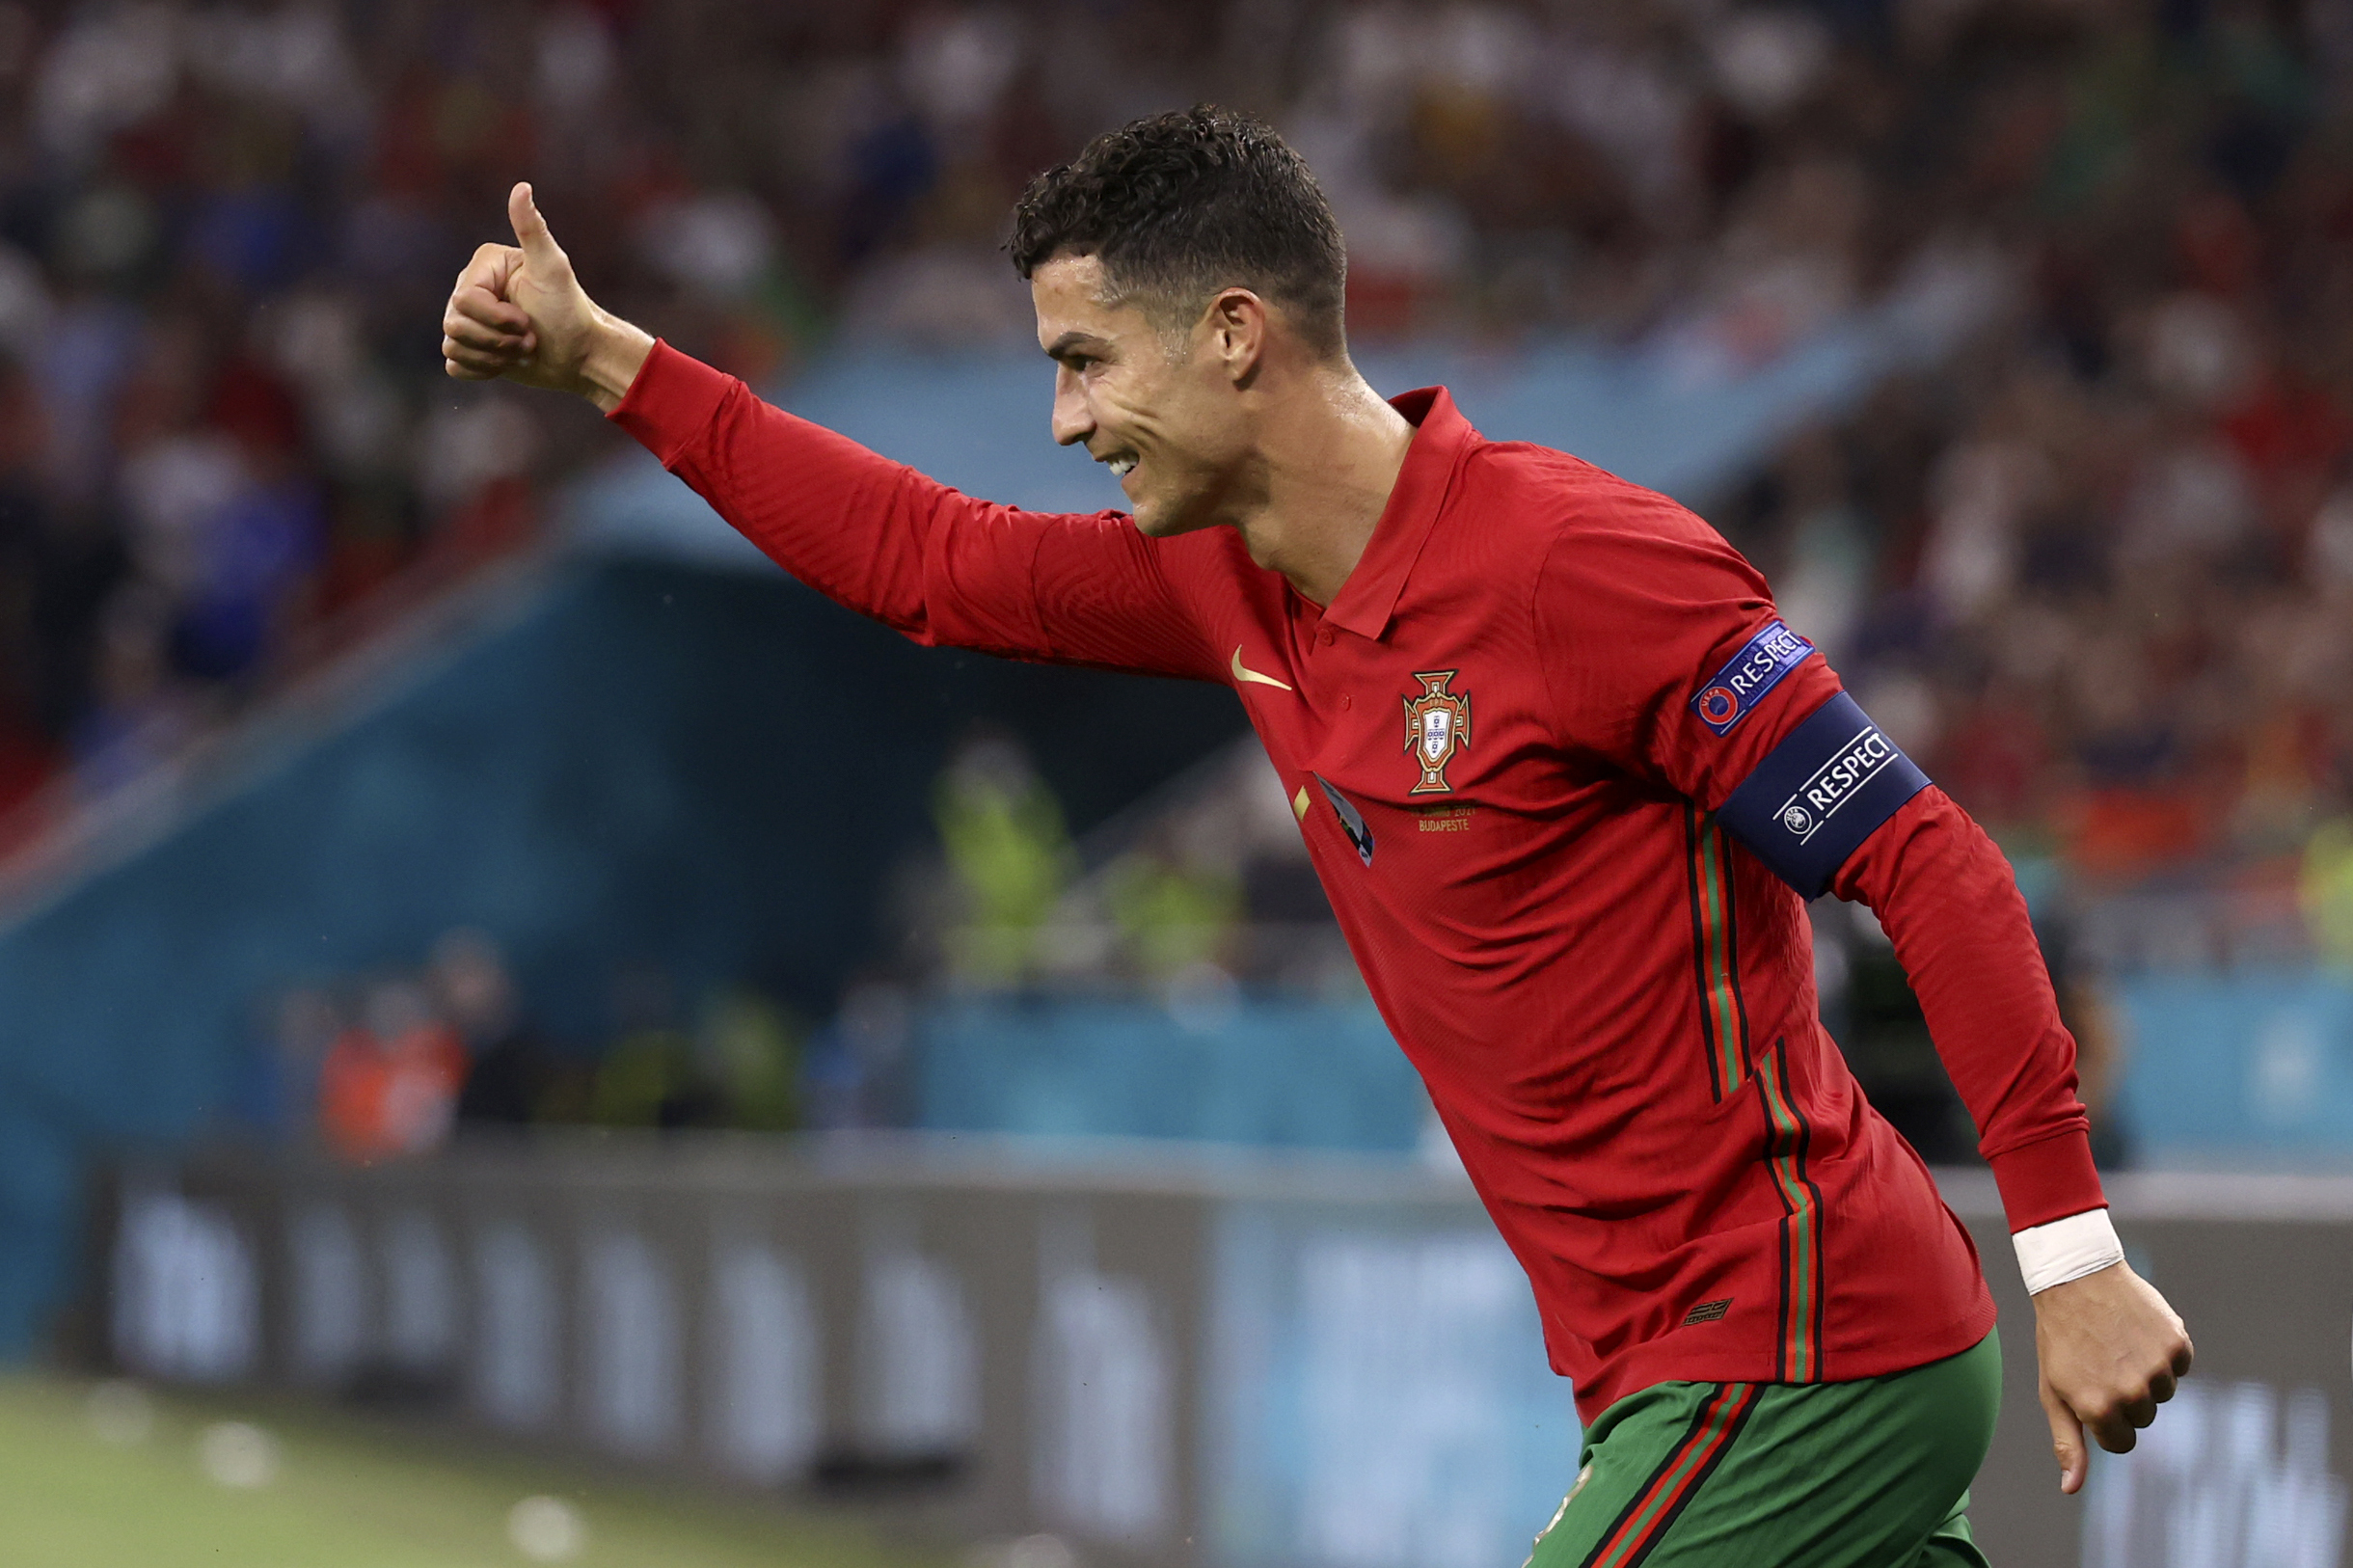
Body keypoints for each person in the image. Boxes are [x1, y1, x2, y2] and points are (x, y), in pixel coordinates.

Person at [441, 107, 2191, 1564]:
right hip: (1693, 1366)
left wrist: (2074, 1252)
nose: (1064, 420)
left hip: (1798, 1343)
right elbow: (928, 560)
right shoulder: (1229, 583)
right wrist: (609, 362)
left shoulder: (1584, 569)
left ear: (1231, 334)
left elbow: (1926, 857)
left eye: (1084, 360)